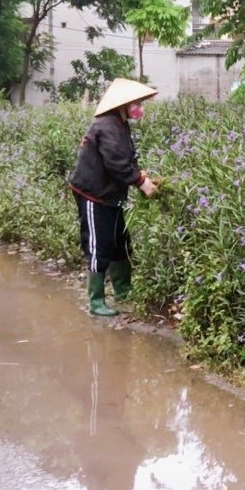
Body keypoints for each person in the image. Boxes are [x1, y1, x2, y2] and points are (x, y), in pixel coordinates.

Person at [69, 78, 159, 317]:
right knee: (99, 244)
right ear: (124, 104)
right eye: (136, 102)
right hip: (93, 194)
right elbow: (117, 164)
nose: (139, 106)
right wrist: (140, 182)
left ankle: (123, 290)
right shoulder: (106, 126)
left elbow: (127, 158)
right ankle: (96, 301)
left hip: (112, 194)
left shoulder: (120, 124)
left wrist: (140, 173)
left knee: (120, 241)